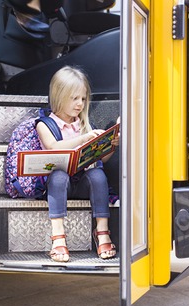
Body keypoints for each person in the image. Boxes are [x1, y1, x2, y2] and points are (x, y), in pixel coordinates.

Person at [36, 66, 119, 262]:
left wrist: (110, 146)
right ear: (59, 96)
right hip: (58, 187)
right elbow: (53, 147)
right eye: (74, 99)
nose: (80, 104)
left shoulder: (82, 123)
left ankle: (102, 232)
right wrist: (83, 140)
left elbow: (100, 160)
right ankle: (58, 238)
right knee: (58, 176)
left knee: (98, 174)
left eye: (83, 99)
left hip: (81, 183)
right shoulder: (45, 124)